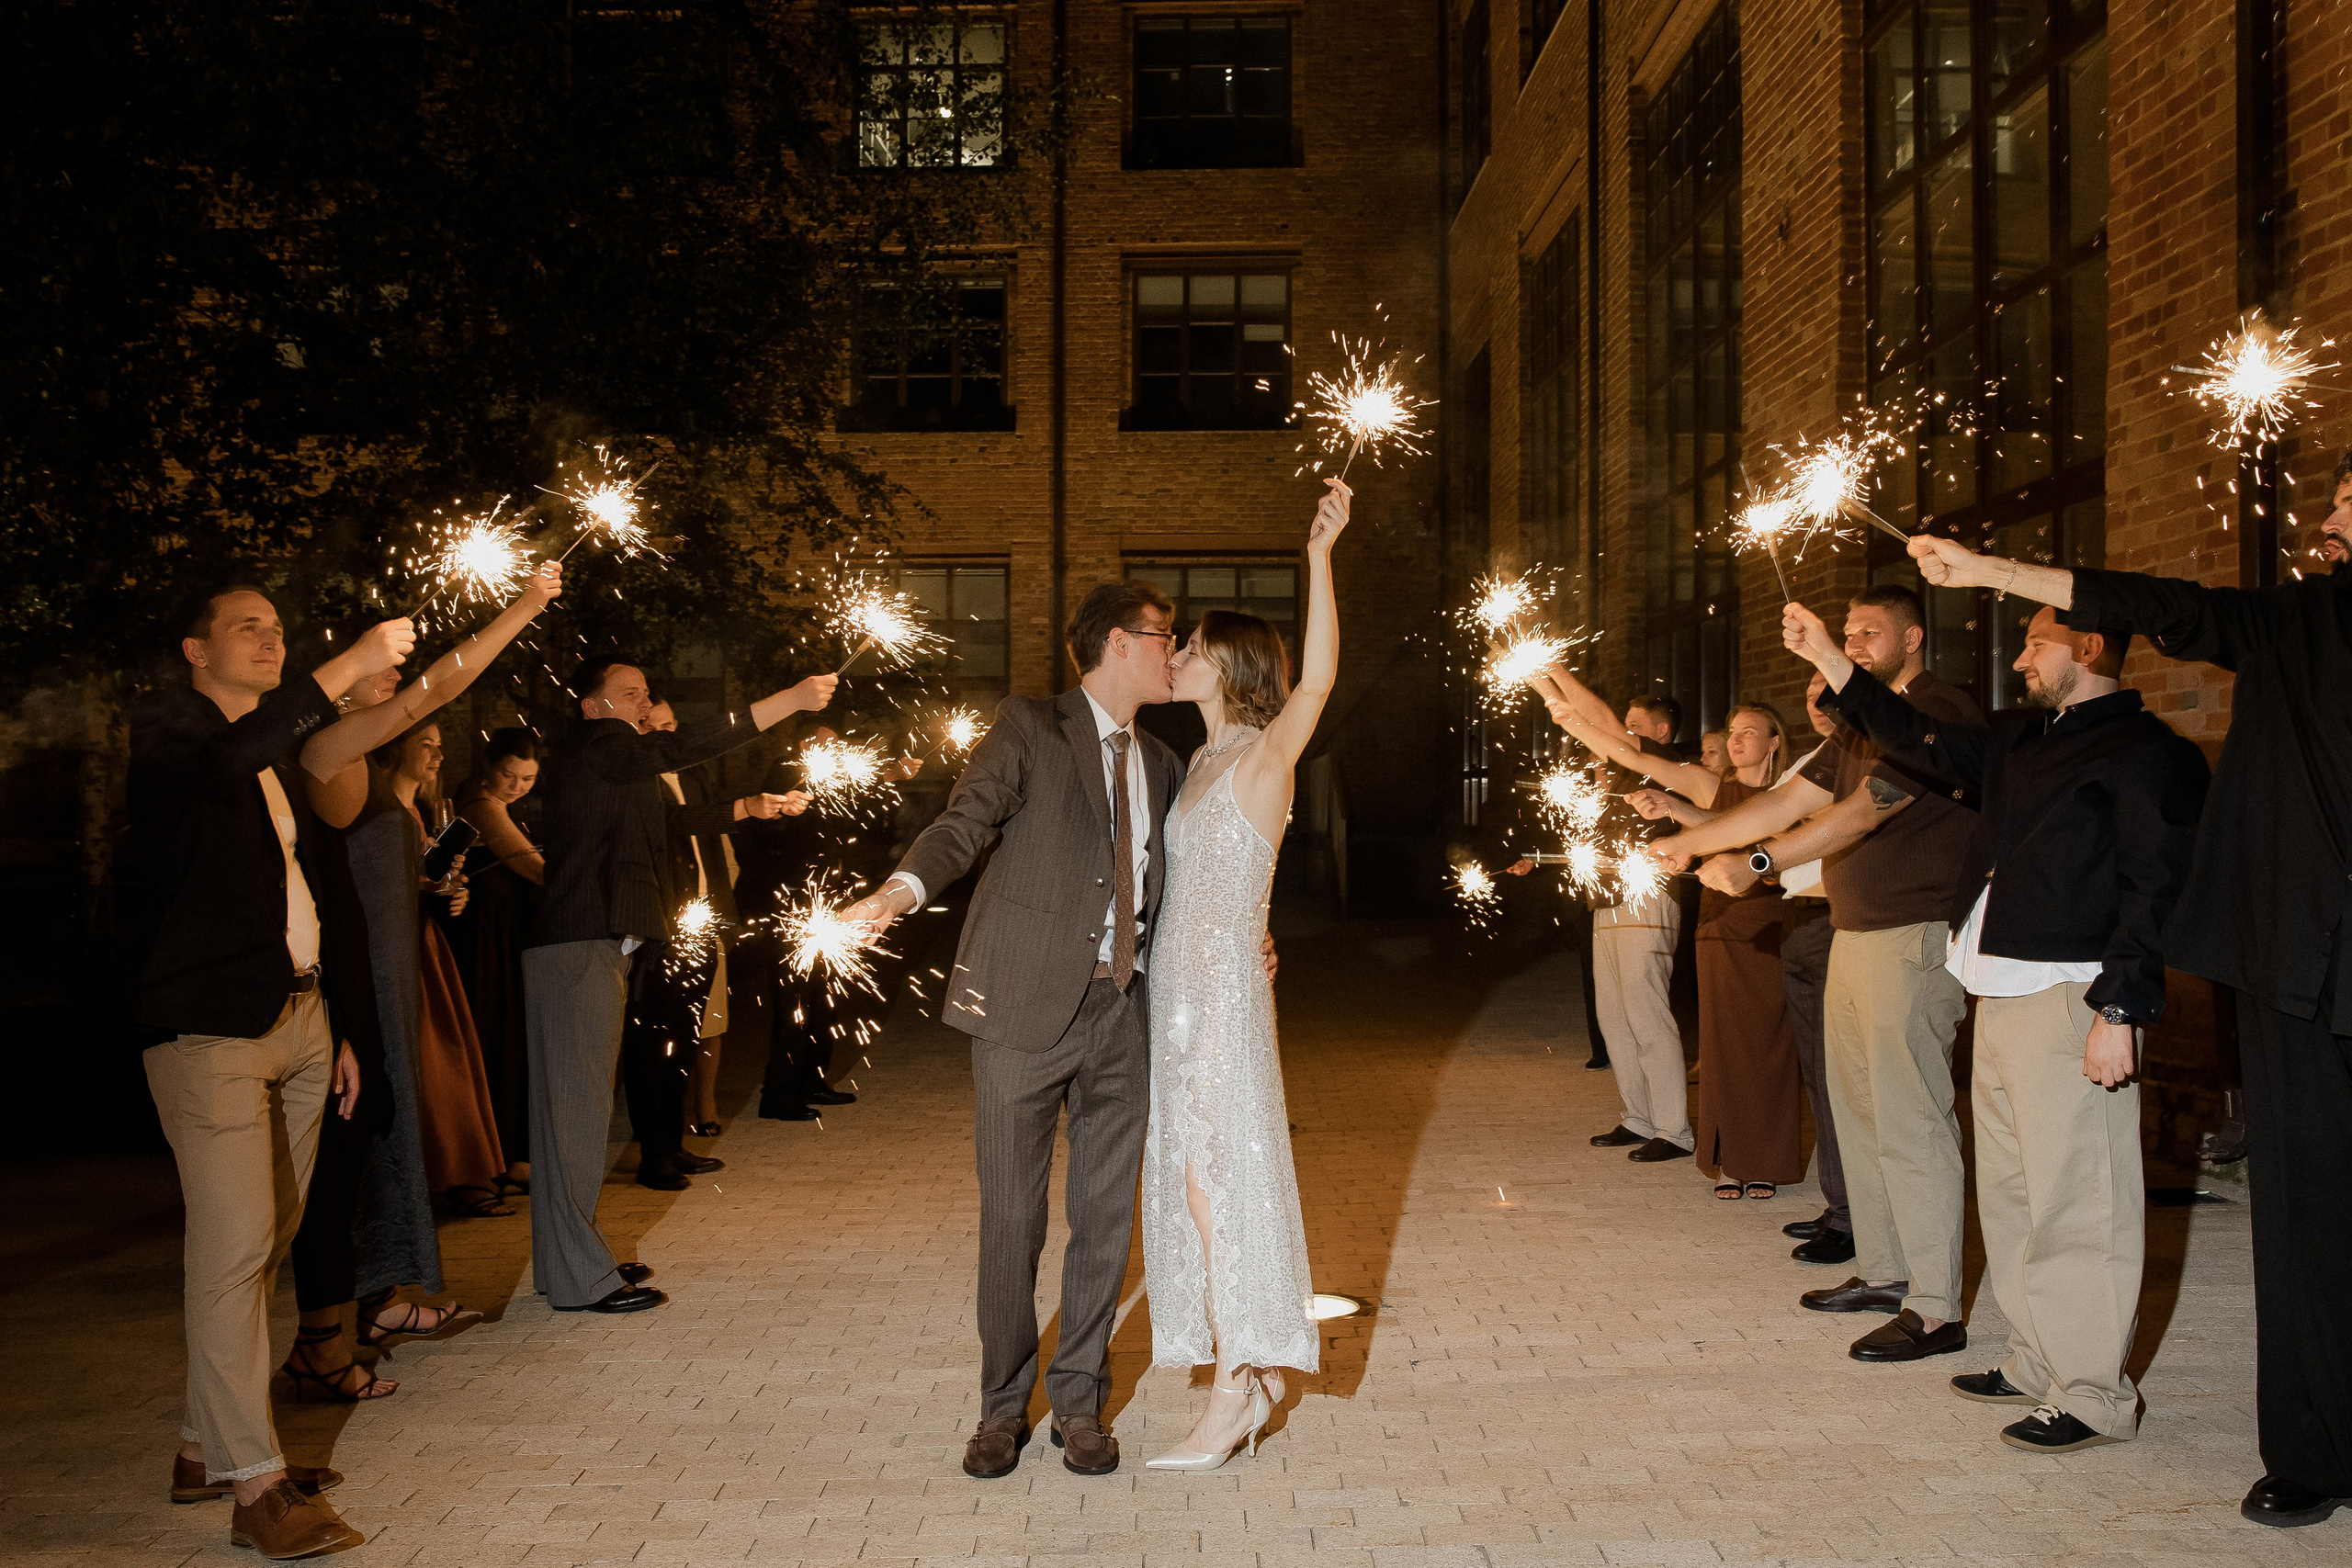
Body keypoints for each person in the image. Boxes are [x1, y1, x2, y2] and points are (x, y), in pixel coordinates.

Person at [1903, 476, 2349, 1527]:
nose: (2327, 516)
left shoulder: (2139, 755)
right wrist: (1987, 572)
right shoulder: (2306, 622)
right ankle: (2316, 1449)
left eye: (2348, 496)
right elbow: (2173, 605)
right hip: (2303, 963)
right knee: (2302, 1219)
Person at [840, 569, 1281, 1481]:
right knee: (1010, 1220)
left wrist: (1252, 938)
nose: (1178, 653)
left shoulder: (1167, 765)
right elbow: (964, 824)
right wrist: (900, 889)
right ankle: (1002, 1406)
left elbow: (1193, 886)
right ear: (1121, 642)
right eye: (1167, 637)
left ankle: (1078, 1401)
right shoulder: (1028, 728)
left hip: (1123, 1017)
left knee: (1103, 1223)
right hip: (1020, 1014)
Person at [1782, 593, 2208, 1453]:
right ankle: (2030, 1357)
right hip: (2000, 990)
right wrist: (1833, 661)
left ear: (2089, 645)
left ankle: (2090, 1391)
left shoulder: (2146, 753)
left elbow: (2154, 886)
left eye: (2036, 644)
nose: (2019, 661)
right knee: (2011, 1194)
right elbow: (1917, 737)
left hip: (2073, 996)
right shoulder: (2021, 741)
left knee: (2078, 1199)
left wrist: (2120, 1007)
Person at [130, 583, 413, 1559]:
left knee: (271, 1234)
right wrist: (338, 669)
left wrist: (329, 1018)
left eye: (278, 629)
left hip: (298, 1018)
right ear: (193, 648)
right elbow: (223, 761)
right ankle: (256, 1490)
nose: (270, 639)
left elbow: (302, 887)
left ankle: (201, 1445)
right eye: (247, 629)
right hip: (207, 1031)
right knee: (235, 1248)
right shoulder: (173, 736)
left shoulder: (272, 765)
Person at [1647, 584, 1982, 1364]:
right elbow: (1787, 799)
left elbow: (1866, 810)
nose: (1857, 643)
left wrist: (1759, 862)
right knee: (1859, 1112)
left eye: (1871, 632)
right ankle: (1885, 1271)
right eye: (1849, 633)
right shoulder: (1860, 725)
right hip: (1855, 933)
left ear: (1914, 638)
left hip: (1916, 934)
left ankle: (1936, 1307)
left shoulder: (1940, 711)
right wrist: (1695, 846)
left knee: (1910, 1118)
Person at [285, 566, 560, 1395]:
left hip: (388, 972)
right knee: (346, 1150)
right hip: (352, 977)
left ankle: (372, 1300)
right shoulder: (323, 747)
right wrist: (527, 605)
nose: (400, 677)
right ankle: (321, 1339)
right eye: (380, 663)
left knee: (380, 1134)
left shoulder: (359, 754)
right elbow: (439, 683)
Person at [1135, 479, 1349, 1471]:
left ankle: (1239, 1385)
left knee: (1222, 1180)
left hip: (1218, 991)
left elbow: (1313, 689)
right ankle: (1246, 1371)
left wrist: (1319, 556)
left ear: (1225, 666)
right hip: (1175, 994)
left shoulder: (1266, 755)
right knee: (1190, 1183)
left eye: (1186, 649)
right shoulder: (1194, 764)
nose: (1172, 658)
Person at [525, 655, 837, 1313]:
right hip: (579, 948)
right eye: (626, 693)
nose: (640, 704)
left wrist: (749, 805)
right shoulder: (603, 745)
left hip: (590, 946)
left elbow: (674, 826)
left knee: (569, 1119)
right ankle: (582, 1277)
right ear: (590, 706)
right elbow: (689, 742)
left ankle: (572, 1263)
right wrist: (790, 697)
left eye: (644, 692)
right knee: (575, 1119)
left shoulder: (615, 769)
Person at [1553, 695, 1799, 1198]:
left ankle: (1738, 1149)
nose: (1736, 738)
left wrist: (1673, 814)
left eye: (1749, 731)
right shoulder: (1713, 785)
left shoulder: (1791, 792)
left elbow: (1751, 835)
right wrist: (1567, 716)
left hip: (1765, 921)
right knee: (1707, 1038)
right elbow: (1636, 761)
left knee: (1761, 1042)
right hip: (1708, 915)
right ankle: (1717, 1151)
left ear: (1775, 741)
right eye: (1732, 730)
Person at [622, 697, 809, 1189]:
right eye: (656, 729)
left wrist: (769, 809)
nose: (667, 737)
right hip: (662, 928)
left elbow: (717, 829)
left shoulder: (693, 775)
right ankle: (652, 1154)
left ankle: (671, 1144)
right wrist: (745, 807)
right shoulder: (636, 782)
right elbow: (678, 824)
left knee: (688, 1041)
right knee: (654, 1046)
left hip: (705, 925)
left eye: (672, 726)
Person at [1526, 674, 1695, 1162]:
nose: (1624, 731)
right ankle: (1638, 1117)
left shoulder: (1666, 763)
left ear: (1660, 733)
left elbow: (1597, 717)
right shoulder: (1619, 774)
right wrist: (1547, 685)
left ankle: (1674, 1129)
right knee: (1614, 1016)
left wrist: (1551, 675)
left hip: (1650, 895)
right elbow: (1597, 726)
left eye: (1636, 726)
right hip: (1608, 899)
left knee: (1646, 1012)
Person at [373, 721, 509, 1217]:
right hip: (399, 950)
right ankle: (435, 1176)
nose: (436, 756)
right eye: (425, 745)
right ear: (395, 747)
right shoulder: (379, 809)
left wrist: (454, 891)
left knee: (448, 1056)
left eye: (440, 746)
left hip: (427, 946)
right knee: (428, 1059)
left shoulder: (424, 810)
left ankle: (458, 1171)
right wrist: (428, 889)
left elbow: (431, 880)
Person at [1777, 672, 1858, 1265]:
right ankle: (1840, 1205)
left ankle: (1858, 1218)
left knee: (1843, 1078)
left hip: (1839, 922)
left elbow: (1800, 826)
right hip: (1798, 925)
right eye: (1811, 696)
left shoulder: (1864, 757)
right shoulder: (1815, 760)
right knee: (1817, 1074)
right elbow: (1774, 812)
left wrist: (1758, 853)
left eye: (1832, 689)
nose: (1821, 704)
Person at [448, 728, 544, 1195]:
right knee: (496, 1040)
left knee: (511, 1040)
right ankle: (493, 1159)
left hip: (504, 935)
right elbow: (531, 866)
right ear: (489, 765)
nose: (517, 786)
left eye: (527, 778)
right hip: (486, 938)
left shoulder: (499, 803)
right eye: (509, 774)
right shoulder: (481, 806)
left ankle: (512, 1153)